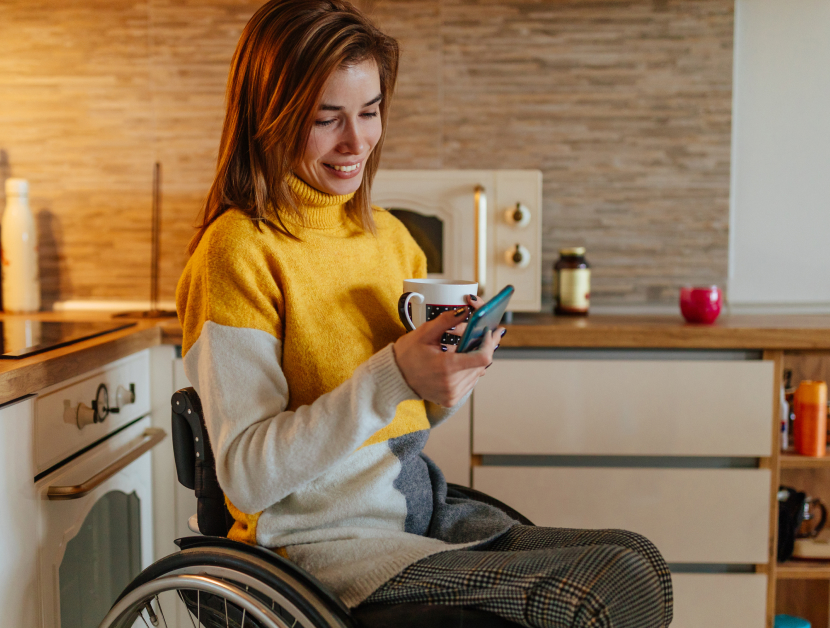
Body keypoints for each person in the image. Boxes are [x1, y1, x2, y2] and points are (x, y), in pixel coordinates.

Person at [175, 1, 673, 626]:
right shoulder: (239, 253)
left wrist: (451, 375)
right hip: (319, 552)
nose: (357, 142)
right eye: (326, 119)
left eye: (371, 110)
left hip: (412, 515)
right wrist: (395, 375)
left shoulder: (389, 240)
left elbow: (409, 413)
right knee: (597, 593)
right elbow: (247, 477)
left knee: (636, 562)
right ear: (268, 118)